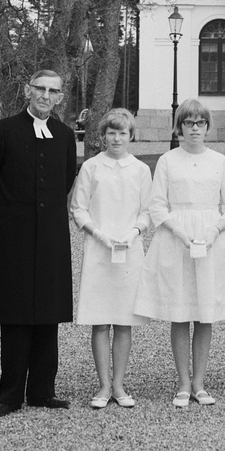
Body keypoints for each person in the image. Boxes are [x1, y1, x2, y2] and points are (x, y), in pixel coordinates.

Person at [0, 67, 78, 418]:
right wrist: (10, 207)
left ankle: (43, 392)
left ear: (60, 97)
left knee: (48, 312)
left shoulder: (64, 135)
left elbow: (64, 180)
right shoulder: (4, 131)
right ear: (28, 91)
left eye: (53, 91)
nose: (46, 96)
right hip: (14, 235)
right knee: (15, 313)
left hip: (51, 236)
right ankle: (11, 395)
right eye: (40, 89)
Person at [133, 98, 225, 407]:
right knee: (180, 313)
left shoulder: (221, 162)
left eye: (200, 123)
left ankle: (199, 383)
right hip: (176, 239)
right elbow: (157, 205)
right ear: (179, 127)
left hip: (211, 241)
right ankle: (182, 382)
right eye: (188, 123)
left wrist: (213, 230)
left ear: (208, 127)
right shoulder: (169, 160)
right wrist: (178, 230)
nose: (194, 129)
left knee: (204, 314)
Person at [69, 108, 153, 409]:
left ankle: (119, 385)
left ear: (131, 136)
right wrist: (97, 233)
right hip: (99, 249)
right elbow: (78, 208)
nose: (117, 138)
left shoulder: (141, 170)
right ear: (103, 135)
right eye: (111, 132)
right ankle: (103, 385)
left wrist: (133, 233)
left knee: (123, 320)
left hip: (129, 250)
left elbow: (147, 210)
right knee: (101, 320)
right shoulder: (91, 167)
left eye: (123, 133)